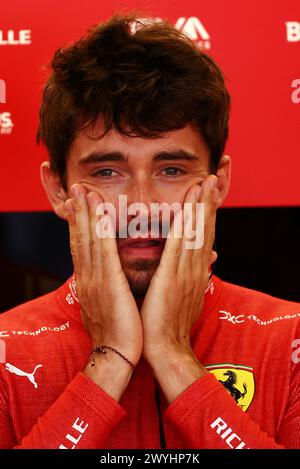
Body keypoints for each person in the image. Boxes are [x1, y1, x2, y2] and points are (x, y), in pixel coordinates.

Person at [0, 13, 299, 450]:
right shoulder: (7, 352)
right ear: (58, 189)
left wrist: (174, 355)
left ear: (220, 184)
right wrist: (109, 360)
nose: (141, 204)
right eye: (107, 171)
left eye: (172, 169)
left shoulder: (290, 338)